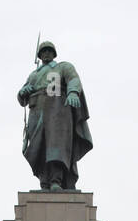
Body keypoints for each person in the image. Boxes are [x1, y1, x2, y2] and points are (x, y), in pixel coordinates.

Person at [17, 41, 93, 191]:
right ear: (39, 55)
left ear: (54, 53)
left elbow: (73, 79)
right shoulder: (34, 75)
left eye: (49, 50)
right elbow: (21, 97)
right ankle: (44, 182)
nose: (46, 53)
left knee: (55, 146)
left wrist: (72, 92)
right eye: (43, 51)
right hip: (36, 110)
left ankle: (55, 181)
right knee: (40, 147)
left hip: (57, 110)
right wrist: (22, 92)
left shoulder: (62, 67)